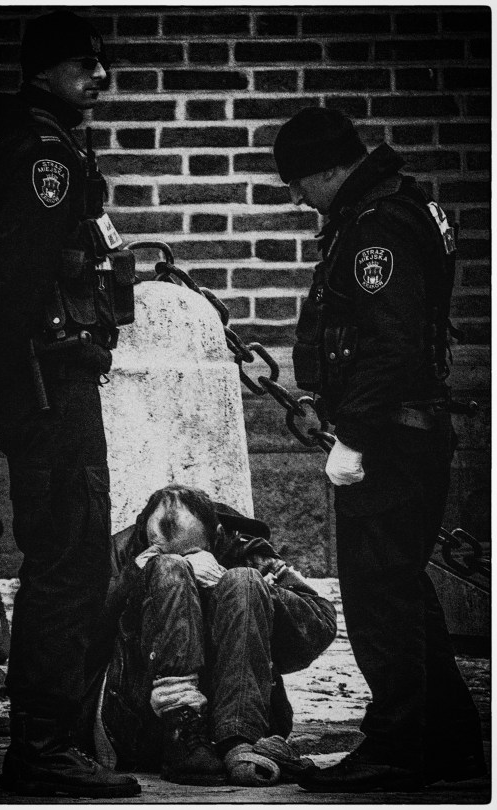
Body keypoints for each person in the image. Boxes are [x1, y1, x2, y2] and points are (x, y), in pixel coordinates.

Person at [0, 10, 140, 799]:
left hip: (33, 375)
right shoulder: (45, 152)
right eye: (83, 65)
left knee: (64, 554)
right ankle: (46, 749)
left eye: (102, 63)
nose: (100, 77)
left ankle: (56, 742)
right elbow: (19, 272)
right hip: (50, 381)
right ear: (44, 71)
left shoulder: (0, 137)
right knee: (70, 561)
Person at [272, 107, 486, 792]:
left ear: (326, 171)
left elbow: (392, 346)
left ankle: (397, 746)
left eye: (299, 183)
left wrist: (355, 437)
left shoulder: (377, 227)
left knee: (379, 599)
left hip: (392, 438)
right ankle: (447, 741)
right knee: (403, 592)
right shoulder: (392, 208)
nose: (298, 198)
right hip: (403, 432)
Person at [78, 484, 337, 787]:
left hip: (237, 719)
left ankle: (240, 739)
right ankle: (181, 726)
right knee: (169, 570)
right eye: (160, 550)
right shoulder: (123, 550)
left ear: (215, 536)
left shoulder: (241, 546)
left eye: (191, 553)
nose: (185, 563)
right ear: (145, 534)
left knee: (243, 581)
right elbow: (78, 640)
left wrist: (236, 585)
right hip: (138, 718)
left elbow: (319, 626)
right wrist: (135, 578)